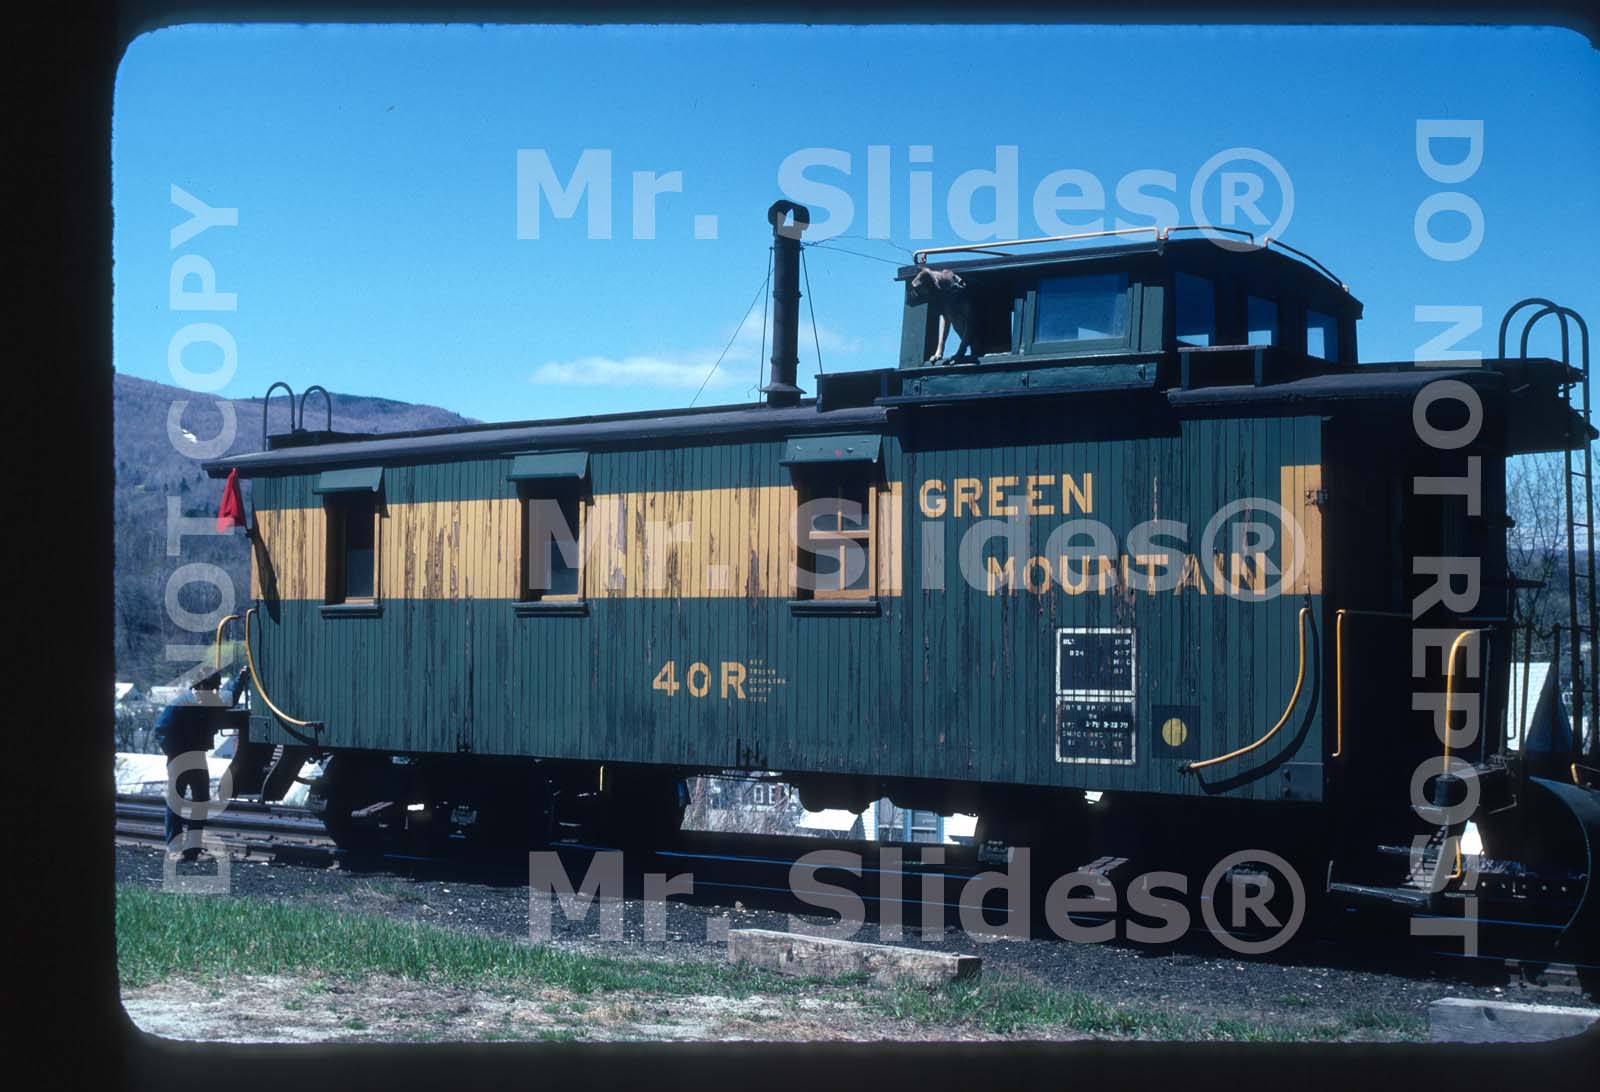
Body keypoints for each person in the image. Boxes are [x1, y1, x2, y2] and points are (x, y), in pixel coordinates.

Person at [152, 665, 249, 861]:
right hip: (179, 759)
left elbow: (230, 696)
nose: (215, 691)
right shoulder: (179, 705)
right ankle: (174, 849)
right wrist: (176, 753)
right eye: (212, 687)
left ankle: (192, 849)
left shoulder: (209, 701)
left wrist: (241, 678)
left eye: (216, 687)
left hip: (197, 757)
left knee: (201, 802)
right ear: (201, 685)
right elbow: (161, 731)